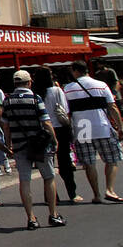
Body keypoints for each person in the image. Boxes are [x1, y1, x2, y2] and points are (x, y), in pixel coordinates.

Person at [2, 69, 64, 228]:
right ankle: (53, 214)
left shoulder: (7, 101)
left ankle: (31, 218)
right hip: (39, 145)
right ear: (29, 82)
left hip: (18, 144)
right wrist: (54, 139)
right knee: (49, 177)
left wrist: (8, 144)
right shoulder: (35, 99)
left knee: (24, 180)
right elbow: (46, 121)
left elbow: (6, 126)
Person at [63, 61, 123, 204]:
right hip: (102, 126)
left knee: (89, 163)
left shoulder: (68, 88)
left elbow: (67, 113)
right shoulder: (101, 85)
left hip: (82, 129)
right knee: (112, 159)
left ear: (75, 71)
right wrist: (120, 127)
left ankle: (96, 194)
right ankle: (109, 189)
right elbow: (112, 107)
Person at [40, 69, 78, 204]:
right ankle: (72, 193)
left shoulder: (37, 93)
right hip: (60, 128)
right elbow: (65, 110)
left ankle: (51, 196)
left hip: (43, 130)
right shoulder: (56, 91)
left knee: (47, 165)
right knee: (65, 162)